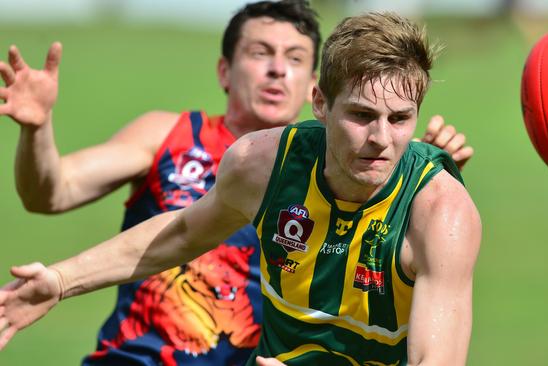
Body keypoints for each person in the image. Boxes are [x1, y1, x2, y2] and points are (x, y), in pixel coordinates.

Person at [0, 5, 477, 366]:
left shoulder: (441, 212)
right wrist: (60, 281)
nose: (381, 139)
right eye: (361, 115)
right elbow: (182, 233)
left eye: (400, 120)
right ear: (321, 103)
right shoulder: (260, 162)